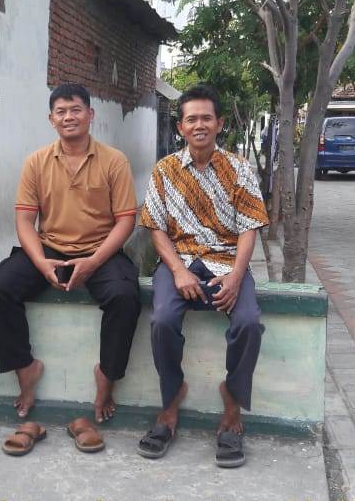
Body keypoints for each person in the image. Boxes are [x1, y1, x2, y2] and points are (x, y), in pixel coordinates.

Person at [0, 83, 141, 426]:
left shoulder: (114, 160)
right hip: (49, 248)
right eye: (61, 111)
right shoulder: (36, 162)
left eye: (76, 110)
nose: (68, 117)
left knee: (125, 297)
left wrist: (94, 262)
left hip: (101, 249)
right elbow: (24, 221)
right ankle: (25, 369)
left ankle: (107, 376)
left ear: (90, 114)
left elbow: (125, 222)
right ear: (51, 119)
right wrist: (40, 262)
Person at [136, 84, 270, 468]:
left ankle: (232, 403)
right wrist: (178, 271)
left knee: (248, 322)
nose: (199, 125)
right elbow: (156, 228)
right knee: (162, 320)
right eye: (191, 119)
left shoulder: (240, 169)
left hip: (227, 261)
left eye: (206, 118)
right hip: (179, 261)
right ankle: (170, 402)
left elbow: (249, 227)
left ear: (219, 123)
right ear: (180, 126)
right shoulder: (164, 170)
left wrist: (237, 276)